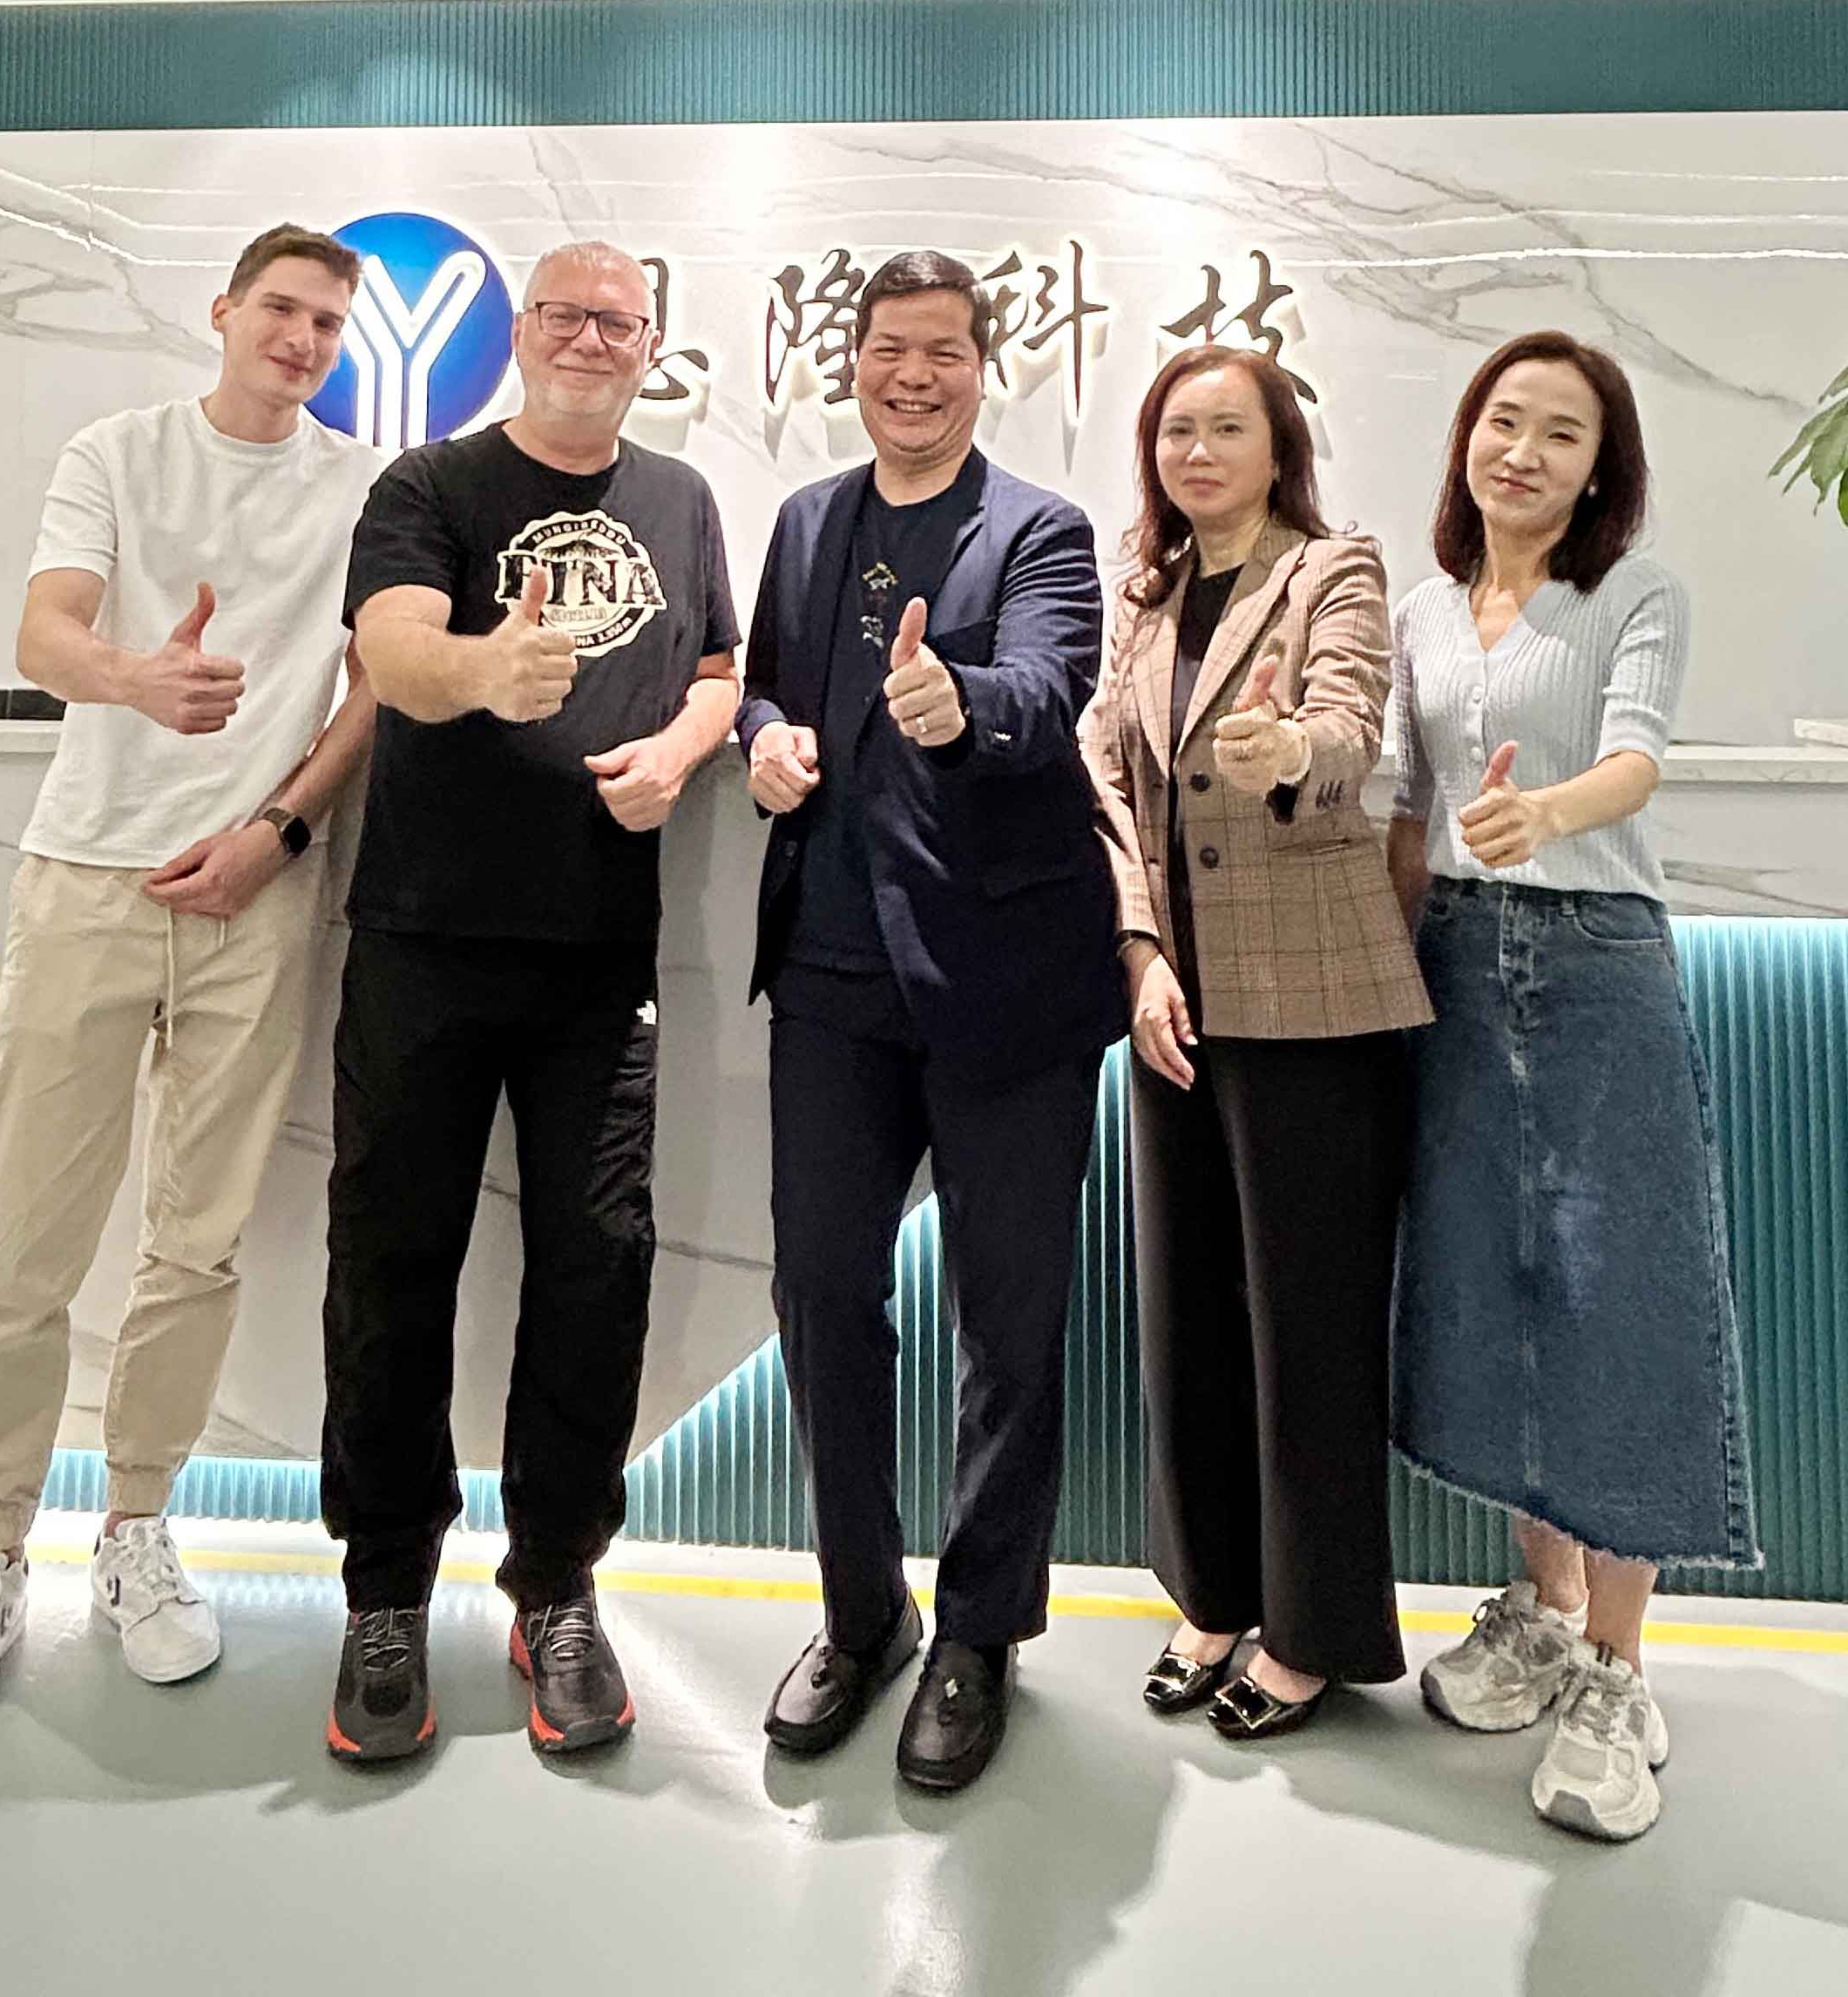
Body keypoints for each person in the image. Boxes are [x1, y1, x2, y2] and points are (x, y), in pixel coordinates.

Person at [0, 224, 378, 1752]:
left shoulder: (363, 488)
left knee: (198, 1242)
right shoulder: (119, 450)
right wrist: (133, 678)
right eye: (281, 310)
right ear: (223, 311)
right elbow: (46, 629)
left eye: (327, 323)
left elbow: (371, 687)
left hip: (254, 895)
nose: (301, 340)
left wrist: (277, 829)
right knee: (18, 1246)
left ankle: (139, 1529)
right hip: (87, 880)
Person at [321, 238, 740, 1764]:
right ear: (518, 330)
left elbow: (718, 664)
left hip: (599, 959)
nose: (590, 339)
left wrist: (681, 754)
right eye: (564, 314)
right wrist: (483, 674)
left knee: (595, 1271)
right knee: (391, 1263)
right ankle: (384, 1592)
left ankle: (556, 1581)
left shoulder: (681, 498)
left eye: (618, 321)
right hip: (423, 941)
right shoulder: (429, 485)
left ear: (650, 342)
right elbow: (390, 651)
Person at [740, 248, 1123, 1795]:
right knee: (823, 1299)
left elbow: (1046, 686)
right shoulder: (806, 521)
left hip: (1006, 985)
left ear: (984, 366)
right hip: (831, 980)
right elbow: (765, 686)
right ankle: (861, 1612)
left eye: (943, 352)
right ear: (852, 360)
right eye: (890, 349)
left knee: (1009, 1329)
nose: (913, 376)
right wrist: (765, 740)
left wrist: (961, 708)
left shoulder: (1041, 528)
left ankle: (978, 1634)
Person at [1389, 328, 1757, 1843]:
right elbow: (1406, 809)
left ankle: (1619, 1668)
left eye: (1561, 433)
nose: (1523, 452)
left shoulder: (1635, 594)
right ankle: (1542, 1615)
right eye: (1504, 420)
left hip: (1598, 958)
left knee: (1619, 1303)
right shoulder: (1421, 609)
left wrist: (1544, 813)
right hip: (1456, 969)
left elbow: (1637, 763)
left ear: (1602, 468)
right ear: (1467, 437)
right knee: (1493, 1293)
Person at [1080, 343, 1431, 1742]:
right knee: (1188, 1317)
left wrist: (1292, 753)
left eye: (1228, 428)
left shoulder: (1333, 570)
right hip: (1176, 1001)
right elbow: (1108, 782)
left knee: (1309, 1330)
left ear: (1280, 447)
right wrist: (1140, 952)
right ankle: (1214, 1594)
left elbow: (1347, 724)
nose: (1199, 452)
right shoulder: (1144, 594)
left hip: (1311, 1000)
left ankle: (1310, 1630)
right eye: (1177, 430)